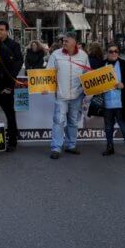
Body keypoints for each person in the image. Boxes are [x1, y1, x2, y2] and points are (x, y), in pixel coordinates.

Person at [46, 31, 89, 159]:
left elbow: (87, 74)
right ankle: (56, 148)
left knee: (73, 122)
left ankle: (71, 145)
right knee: (58, 121)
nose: (63, 43)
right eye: (63, 41)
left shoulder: (83, 55)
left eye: (66, 41)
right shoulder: (56, 54)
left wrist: (87, 89)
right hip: (61, 95)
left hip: (77, 95)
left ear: (74, 42)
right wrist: (44, 87)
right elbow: (48, 73)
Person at [0, 21, 24, 152]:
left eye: (2, 29)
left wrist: (9, 85)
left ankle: (13, 142)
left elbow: (17, 64)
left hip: (6, 85)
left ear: (7, 31)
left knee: (10, 114)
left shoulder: (14, 45)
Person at [101, 44, 125, 159]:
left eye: (116, 51)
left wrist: (124, 85)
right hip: (107, 102)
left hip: (121, 102)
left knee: (124, 127)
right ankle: (110, 147)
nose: (114, 53)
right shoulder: (102, 65)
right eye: (111, 51)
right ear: (107, 53)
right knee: (108, 127)